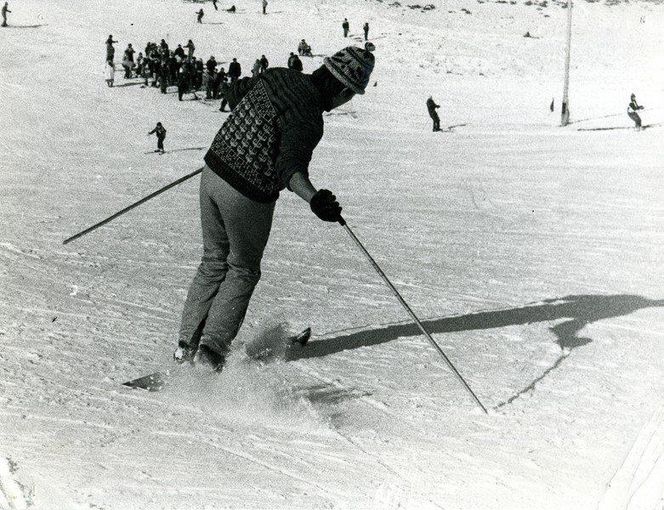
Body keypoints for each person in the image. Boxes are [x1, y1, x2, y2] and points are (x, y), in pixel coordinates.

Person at [174, 44, 376, 371]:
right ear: (341, 88)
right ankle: (209, 356)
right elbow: (290, 168)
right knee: (242, 268)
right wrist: (315, 199)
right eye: (350, 93)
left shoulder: (278, 74)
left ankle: (186, 347)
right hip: (245, 193)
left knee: (213, 260)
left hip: (212, 173)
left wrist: (248, 131)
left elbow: (238, 92)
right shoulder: (310, 117)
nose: (346, 100)